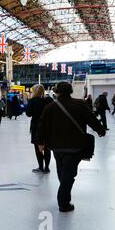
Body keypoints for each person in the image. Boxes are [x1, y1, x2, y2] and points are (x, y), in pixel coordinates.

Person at [37, 82, 105, 212]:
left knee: (62, 171)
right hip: (75, 146)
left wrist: (40, 142)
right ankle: (63, 203)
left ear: (56, 91)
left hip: (56, 146)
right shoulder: (79, 104)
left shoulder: (50, 107)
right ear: (71, 91)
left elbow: (42, 125)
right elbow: (91, 119)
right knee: (68, 174)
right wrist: (100, 130)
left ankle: (64, 194)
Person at [26, 85, 53, 174]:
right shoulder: (49, 100)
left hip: (36, 126)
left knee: (38, 147)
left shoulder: (32, 101)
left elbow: (28, 114)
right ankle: (47, 168)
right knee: (47, 147)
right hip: (48, 126)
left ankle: (41, 167)